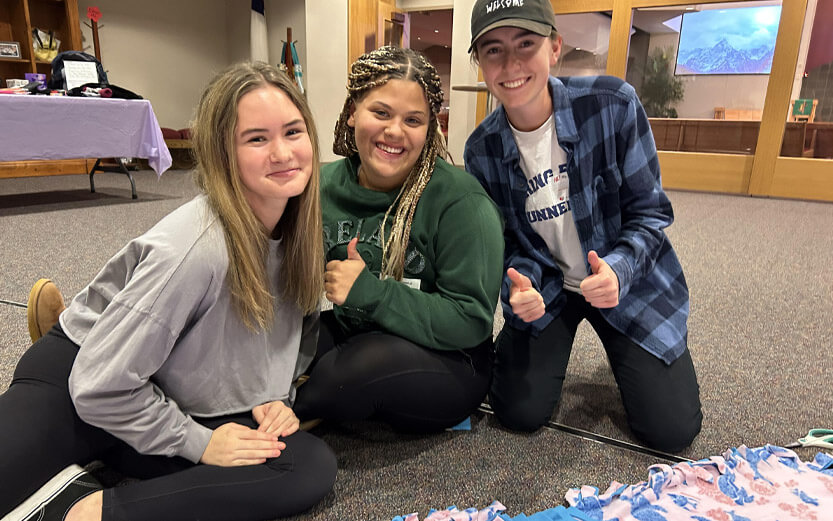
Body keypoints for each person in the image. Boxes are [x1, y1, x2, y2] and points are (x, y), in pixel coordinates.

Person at [0, 61, 337, 521]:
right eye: (257, 138)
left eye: (293, 132)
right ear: (224, 154)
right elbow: (97, 386)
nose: (282, 152)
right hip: (84, 379)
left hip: (168, 392)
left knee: (307, 465)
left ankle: (87, 510)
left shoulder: (302, 232)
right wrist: (199, 443)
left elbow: (279, 335)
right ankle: (96, 324)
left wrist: (277, 400)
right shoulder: (197, 248)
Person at [463, 0, 702, 452]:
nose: (510, 64)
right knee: (518, 412)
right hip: (551, 287)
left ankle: (629, 353)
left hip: (627, 283)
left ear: (554, 47)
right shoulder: (481, 151)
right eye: (493, 50)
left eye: (525, 44)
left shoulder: (613, 104)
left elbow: (651, 214)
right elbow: (508, 244)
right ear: (480, 63)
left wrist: (618, 269)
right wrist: (520, 288)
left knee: (670, 431)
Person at [292, 46, 504, 433]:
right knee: (285, 349)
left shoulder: (461, 201)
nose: (394, 131)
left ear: (430, 127)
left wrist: (371, 293)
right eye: (381, 113)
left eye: (413, 120)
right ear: (353, 110)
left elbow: (470, 320)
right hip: (358, 329)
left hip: (451, 358)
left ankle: (278, 423)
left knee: (350, 372)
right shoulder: (323, 186)